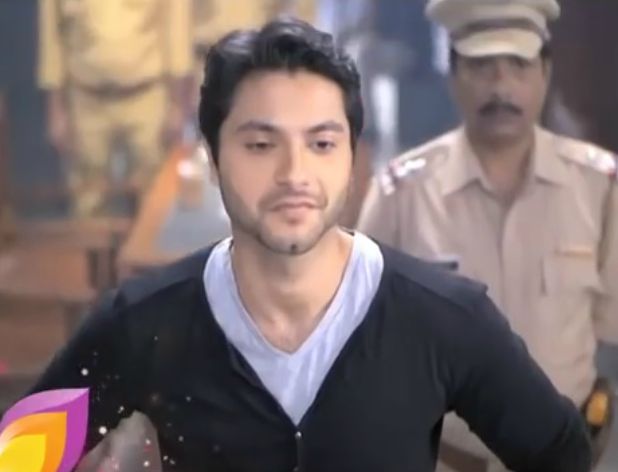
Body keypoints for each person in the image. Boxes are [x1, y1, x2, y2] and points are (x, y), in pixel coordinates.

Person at [19, 18, 591, 471]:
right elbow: (18, 456)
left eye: (321, 144)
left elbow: (560, 452)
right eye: (261, 145)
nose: (294, 174)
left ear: (352, 158)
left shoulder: (443, 317)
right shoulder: (144, 323)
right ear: (214, 159)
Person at [357, 0, 617, 470]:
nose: (501, 86)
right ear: (453, 74)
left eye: (518, 64)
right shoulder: (401, 195)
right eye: (481, 66)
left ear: (545, 72)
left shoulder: (600, 186)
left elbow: (612, 333)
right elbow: (363, 346)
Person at [38, 0, 193, 217]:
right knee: (88, 202)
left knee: (154, 203)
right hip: (85, 101)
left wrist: (177, 105)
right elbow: (51, 39)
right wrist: (56, 111)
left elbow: (176, 31)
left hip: (147, 97)